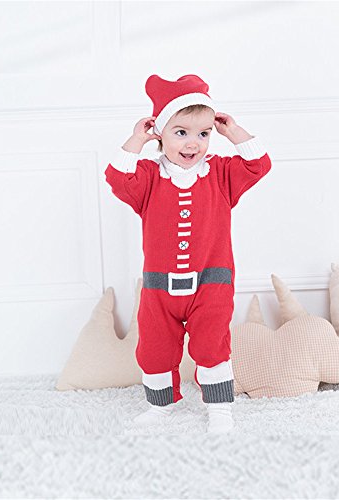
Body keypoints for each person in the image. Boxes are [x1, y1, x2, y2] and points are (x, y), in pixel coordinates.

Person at [105, 74, 272, 433]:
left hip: (211, 284)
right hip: (159, 288)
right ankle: (159, 407)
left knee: (213, 347)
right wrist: (136, 139)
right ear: (160, 133)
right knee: (154, 350)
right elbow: (117, 178)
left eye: (204, 133)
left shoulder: (221, 174)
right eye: (181, 132)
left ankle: (220, 409)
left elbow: (259, 165)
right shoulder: (148, 177)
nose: (193, 143)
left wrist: (233, 132)